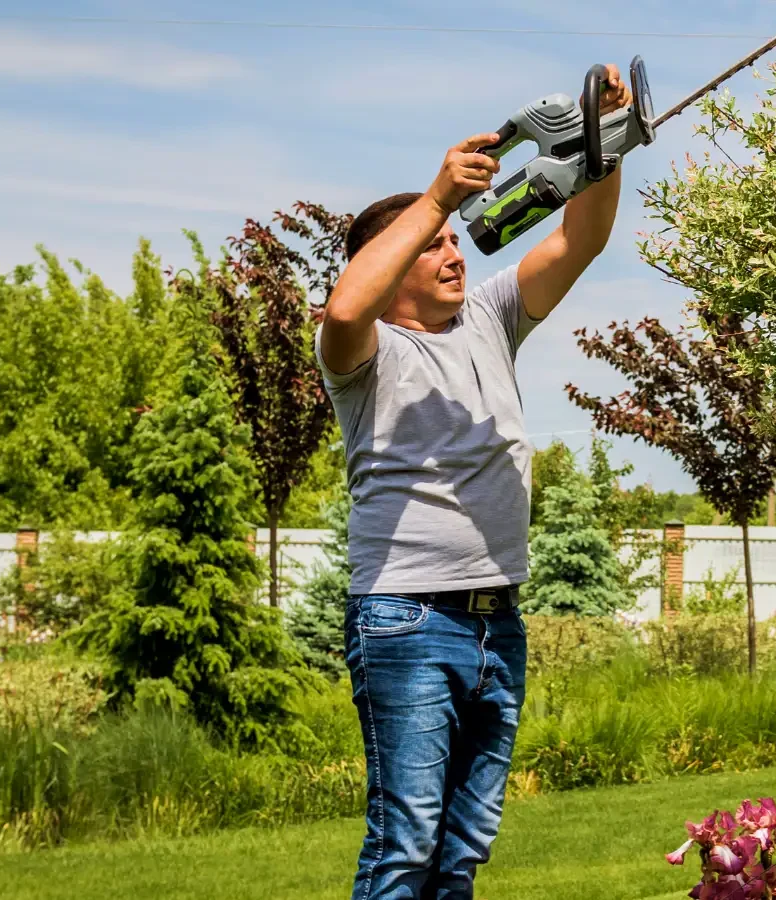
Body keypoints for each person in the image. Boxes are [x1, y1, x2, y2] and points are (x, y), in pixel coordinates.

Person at [315, 64, 633, 900]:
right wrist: (435, 200)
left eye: (455, 240)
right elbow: (347, 309)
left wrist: (605, 145)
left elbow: (580, 239)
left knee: (459, 854)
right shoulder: (364, 358)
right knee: (405, 846)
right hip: (407, 619)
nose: (454, 250)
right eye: (434, 246)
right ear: (389, 267)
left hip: (499, 620)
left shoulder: (491, 317)